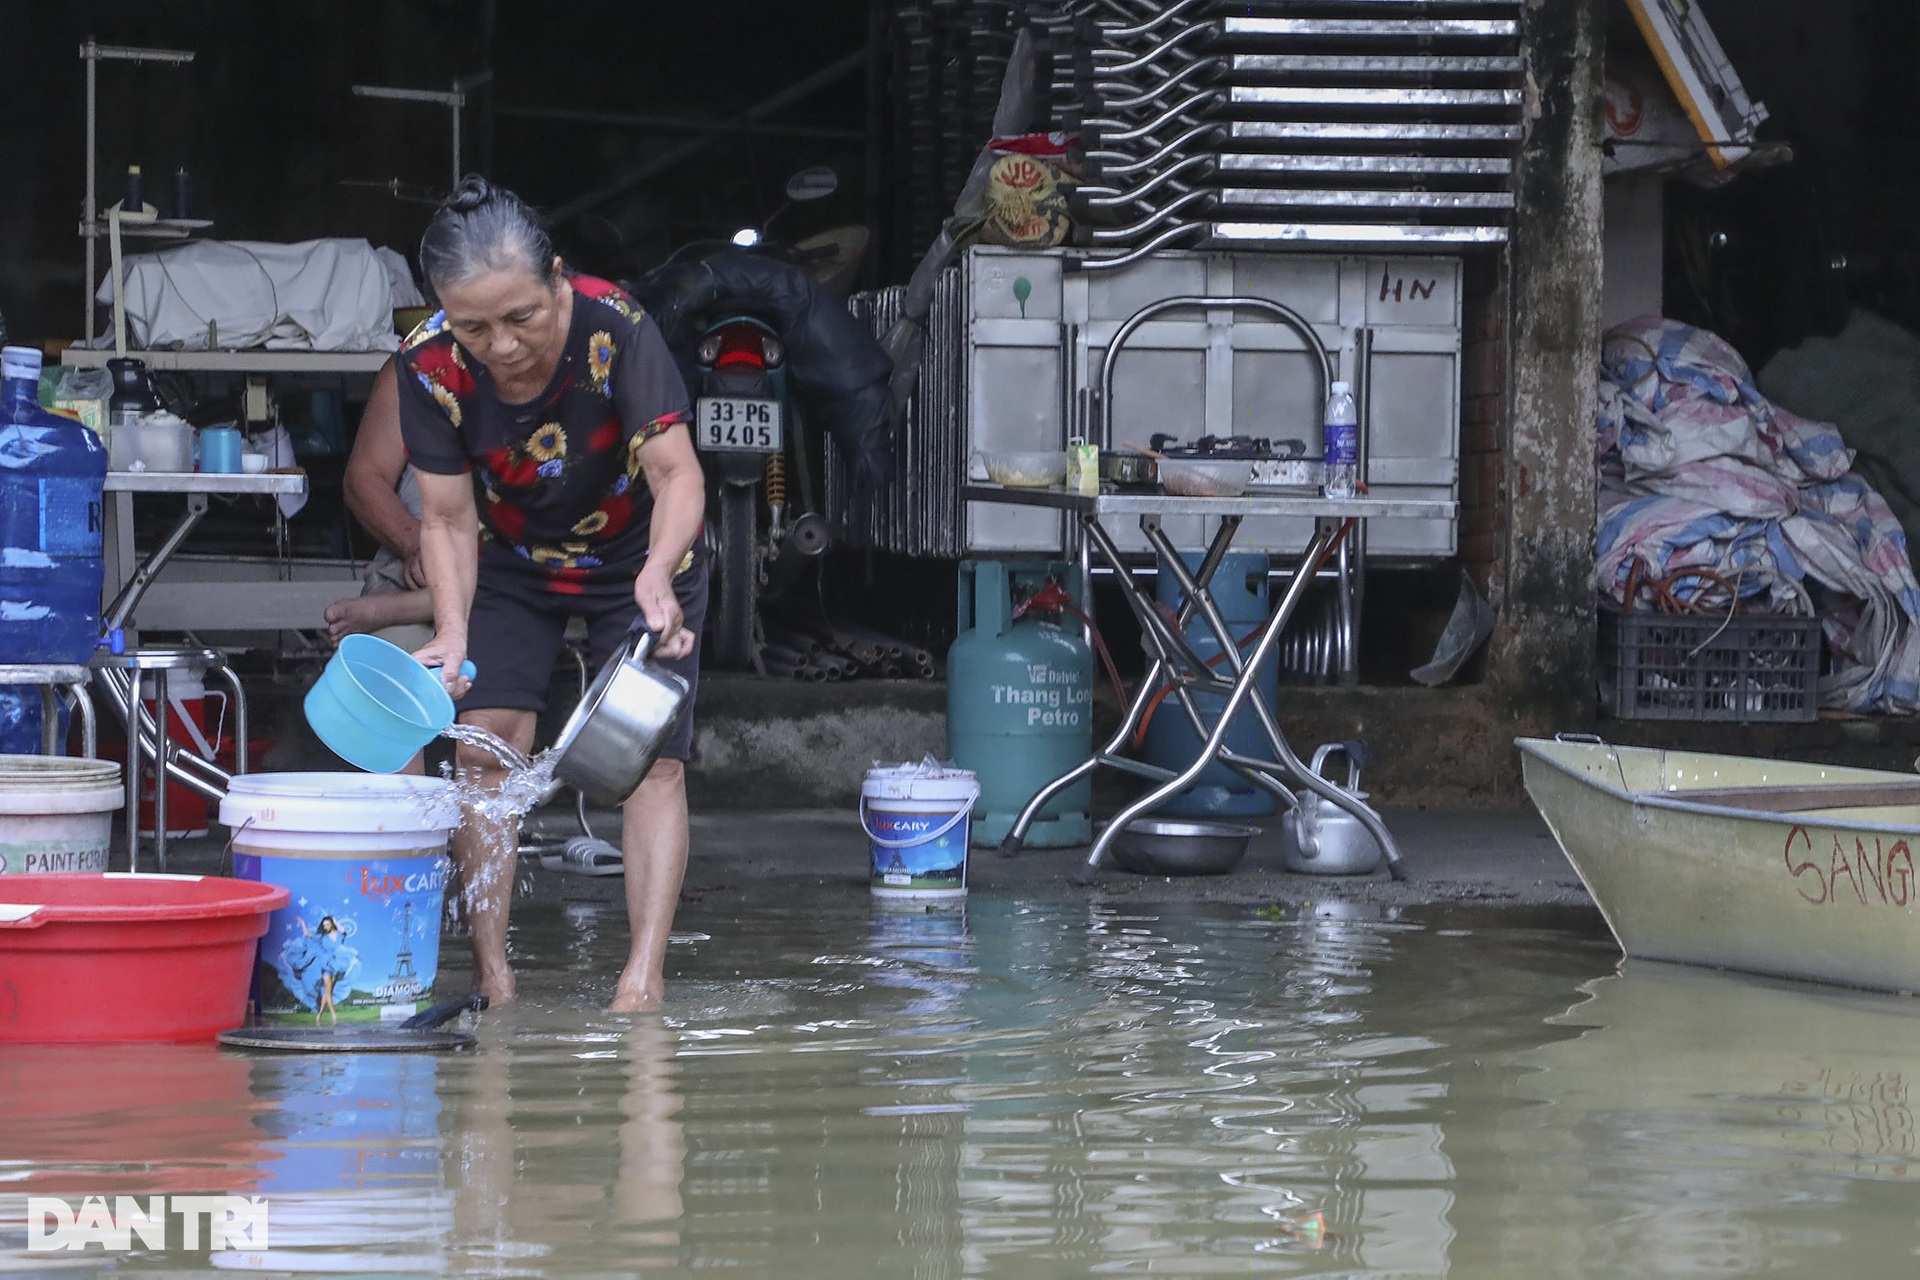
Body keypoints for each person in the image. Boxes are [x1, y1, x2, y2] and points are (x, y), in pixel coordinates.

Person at [399, 176, 707, 1012]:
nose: (498, 345)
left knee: (654, 763)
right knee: (481, 747)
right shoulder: (427, 365)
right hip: (508, 560)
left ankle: (641, 981)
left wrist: (658, 571)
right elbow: (447, 520)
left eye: (520, 317)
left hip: (639, 554)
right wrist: (454, 634)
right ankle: (494, 976)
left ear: (559, 279)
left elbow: (677, 472)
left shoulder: (619, 326)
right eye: (474, 326)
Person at [324, 358, 436, 653]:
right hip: (418, 568)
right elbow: (364, 477)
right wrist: (415, 543)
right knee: (390, 659)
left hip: (513, 575)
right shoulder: (422, 359)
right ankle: (411, 606)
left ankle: (402, 608)